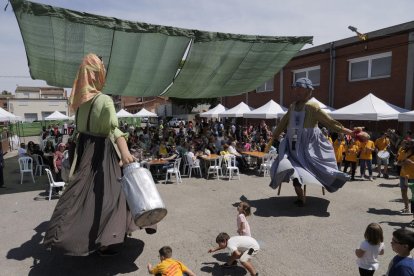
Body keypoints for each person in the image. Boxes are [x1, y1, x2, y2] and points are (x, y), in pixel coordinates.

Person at [43, 53, 137, 256]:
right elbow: (114, 130)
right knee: (111, 195)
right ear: (97, 74)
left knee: (83, 195)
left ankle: (75, 235)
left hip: (85, 150)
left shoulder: (80, 104)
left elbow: (80, 131)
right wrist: (125, 152)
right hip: (102, 152)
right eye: (102, 68)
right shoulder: (104, 101)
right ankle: (105, 240)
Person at [265, 78, 353, 207]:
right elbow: (283, 122)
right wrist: (274, 136)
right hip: (293, 144)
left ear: (308, 90)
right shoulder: (293, 106)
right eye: (296, 88)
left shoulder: (312, 107)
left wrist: (351, 132)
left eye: (300, 88)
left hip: (308, 147)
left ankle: (329, 179)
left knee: (315, 168)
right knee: (290, 167)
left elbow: (330, 123)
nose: (297, 91)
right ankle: (300, 194)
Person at [399, 140, 414, 215]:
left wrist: (411, 163)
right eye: (408, 143)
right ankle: (406, 208)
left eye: (411, 144)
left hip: (413, 176)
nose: (409, 145)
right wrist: (403, 162)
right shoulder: (402, 152)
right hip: (403, 175)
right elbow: (398, 163)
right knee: (403, 192)